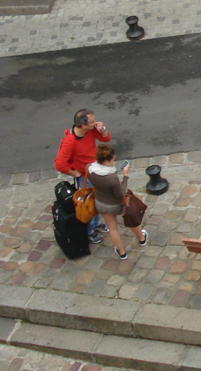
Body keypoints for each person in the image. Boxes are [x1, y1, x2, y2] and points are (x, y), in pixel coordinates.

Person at [54, 108, 112, 243]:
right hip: (86, 177)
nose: (95, 123)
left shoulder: (90, 130)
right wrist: (75, 173)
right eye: (92, 122)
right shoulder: (70, 141)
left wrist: (102, 130)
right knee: (89, 205)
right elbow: (60, 164)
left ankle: (96, 224)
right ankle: (90, 231)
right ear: (83, 125)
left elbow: (106, 138)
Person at [87, 143, 147, 260]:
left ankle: (122, 252)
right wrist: (125, 175)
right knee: (131, 220)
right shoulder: (111, 178)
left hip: (101, 202)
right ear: (106, 161)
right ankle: (141, 239)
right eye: (113, 160)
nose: (114, 162)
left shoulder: (89, 168)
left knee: (112, 228)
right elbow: (121, 193)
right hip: (115, 205)